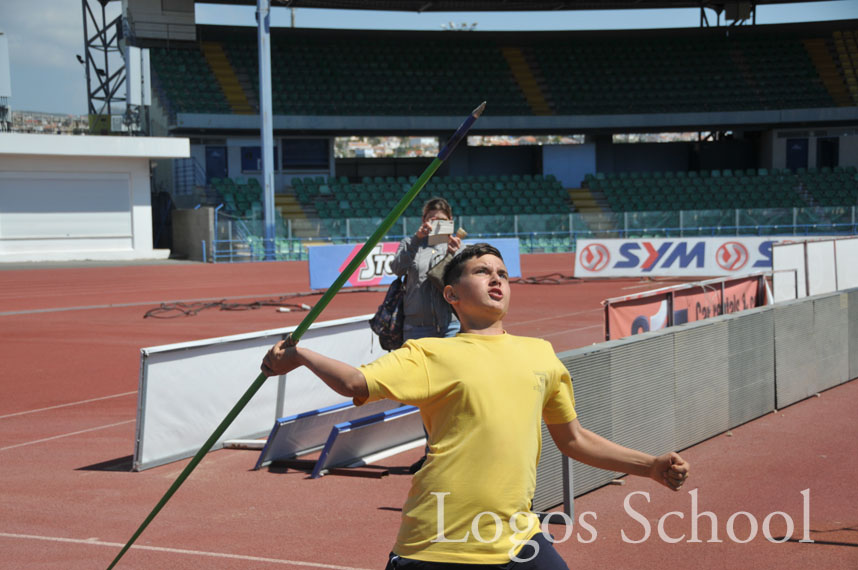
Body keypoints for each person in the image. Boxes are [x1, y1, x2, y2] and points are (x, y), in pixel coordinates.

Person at [261, 243, 690, 569]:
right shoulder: (429, 354)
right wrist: (299, 355)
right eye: (482, 271)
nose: (496, 278)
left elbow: (573, 439)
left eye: (502, 272)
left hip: (517, 539)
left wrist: (649, 466)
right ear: (451, 294)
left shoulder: (541, 354)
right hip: (438, 543)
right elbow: (355, 382)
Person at [391, 197, 463, 343]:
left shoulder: (458, 247)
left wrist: (454, 254)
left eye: (441, 221)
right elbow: (397, 269)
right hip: (417, 327)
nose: (436, 225)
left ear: (450, 220)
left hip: (450, 324)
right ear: (424, 220)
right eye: (432, 219)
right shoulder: (409, 243)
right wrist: (417, 239)